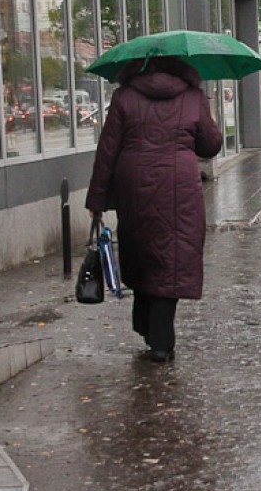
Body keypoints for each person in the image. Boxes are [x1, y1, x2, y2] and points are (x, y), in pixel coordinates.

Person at [85, 56, 223, 363]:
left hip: (133, 185)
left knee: (143, 252)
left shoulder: (125, 96)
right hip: (180, 186)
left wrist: (97, 201)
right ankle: (161, 342)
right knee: (172, 258)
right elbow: (210, 145)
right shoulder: (192, 96)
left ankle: (147, 329)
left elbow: (108, 149)